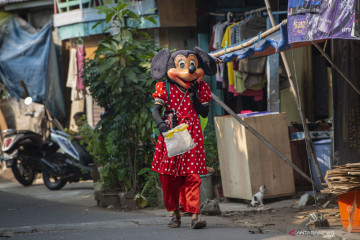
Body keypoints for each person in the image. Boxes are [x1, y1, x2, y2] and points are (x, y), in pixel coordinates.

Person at [150, 47, 216, 229]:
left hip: (192, 134)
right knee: (169, 176)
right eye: (182, 65)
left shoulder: (201, 88)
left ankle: (195, 216)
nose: (190, 69)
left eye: (193, 64)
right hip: (170, 133)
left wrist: (194, 97)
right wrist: (161, 126)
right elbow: (156, 111)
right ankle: (174, 214)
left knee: (192, 175)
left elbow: (203, 112)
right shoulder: (165, 88)